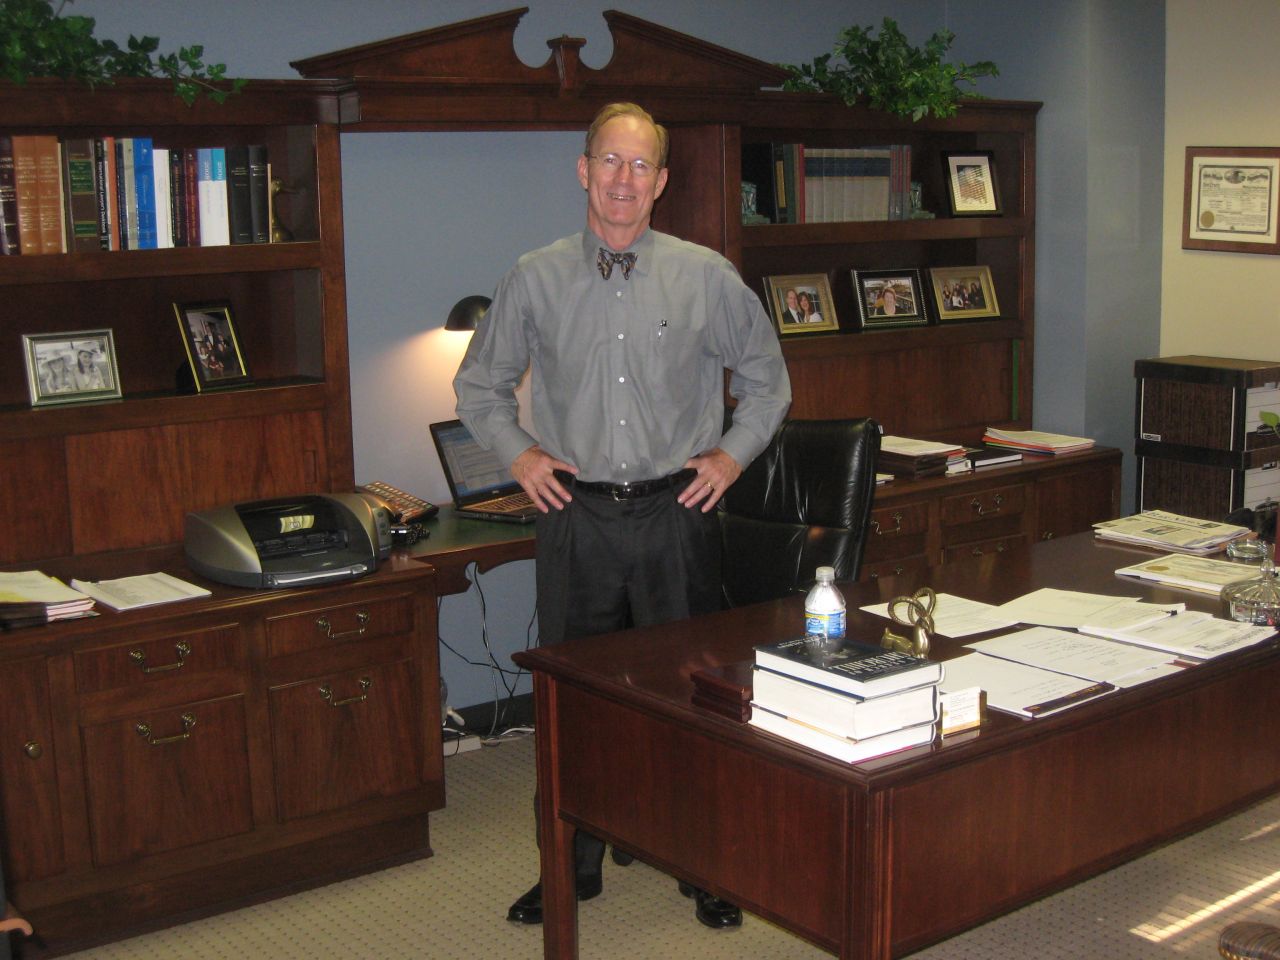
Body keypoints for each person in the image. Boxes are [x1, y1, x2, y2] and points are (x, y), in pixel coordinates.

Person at [454, 101, 791, 931]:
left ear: (662, 182)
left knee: (693, 699)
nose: (623, 180)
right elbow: (477, 386)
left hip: (679, 513)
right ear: (583, 170)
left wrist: (730, 456)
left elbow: (768, 381)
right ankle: (573, 866)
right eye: (610, 161)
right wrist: (522, 456)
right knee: (579, 704)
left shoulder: (706, 275)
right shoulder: (534, 276)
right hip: (578, 517)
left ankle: (702, 865)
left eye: (642, 166)